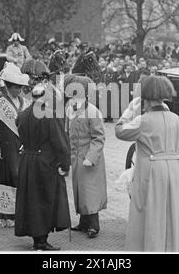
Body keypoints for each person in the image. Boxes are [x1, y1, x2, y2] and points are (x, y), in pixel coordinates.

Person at [115, 75, 179, 252]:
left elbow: (120, 131)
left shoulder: (142, 121)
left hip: (151, 172)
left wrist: (130, 109)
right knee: (173, 216)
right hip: (174, 171)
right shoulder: (177, 119)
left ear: (145, 98)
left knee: (150, 215)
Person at [15, 82, 71, 250]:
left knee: (31, 199)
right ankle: (41, 241)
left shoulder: (22, 115)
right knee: (45, 199)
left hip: (27, 160)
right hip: (45, 163)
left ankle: (36, 238)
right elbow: (60, 143)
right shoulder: (50, 115)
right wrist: (65, 164)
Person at [0, 63, 30, 227]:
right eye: (14, 87)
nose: (17, 90)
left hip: (21, 147)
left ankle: (19, 213)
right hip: (5, 148)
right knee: (5, 177)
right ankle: (3, 216)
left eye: (19, 87)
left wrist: (28, 142)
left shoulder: (26, 104)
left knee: (20, 177)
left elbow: (29, 125)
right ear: (7, 86)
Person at [66, 76, 107, 239]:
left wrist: (91, 157)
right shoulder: (70, 110)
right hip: (75, 155)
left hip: (89, 156)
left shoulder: (93, 111)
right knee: (79, 189)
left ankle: (93, 224)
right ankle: (83, 221)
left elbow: (99, 137)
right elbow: (66, 133)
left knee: (90, 190)